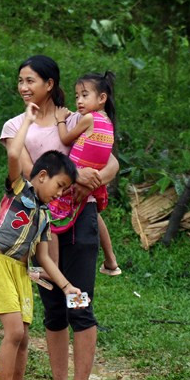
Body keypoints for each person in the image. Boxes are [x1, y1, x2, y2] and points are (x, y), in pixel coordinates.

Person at [0, 55, 120, 380]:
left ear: (49, 84)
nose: (23, 88)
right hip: (40, 225)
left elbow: (110, 159)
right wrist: (75, 176)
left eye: (30, 81)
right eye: (20, 81)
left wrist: (91, 178)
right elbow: (27, 171)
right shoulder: (14, 126)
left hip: (81, 218)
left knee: (79, 301)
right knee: (53, 304)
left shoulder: (77, 117)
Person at [0, 101, 80, 380]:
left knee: (23, 338)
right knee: (13, 332)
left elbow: (44, 258)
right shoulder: (19, 190)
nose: (61, 193)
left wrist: (67, 287)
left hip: (22, 272)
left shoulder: (45, 216)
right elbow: (14, 154)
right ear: (41, 176)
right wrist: (26, 119)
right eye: (60, 185)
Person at [50, 70, 121, 276]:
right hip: (93, 185)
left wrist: (61, 119)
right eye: (77, 96)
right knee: (92, 215)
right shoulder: (107, 122)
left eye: (84, 95)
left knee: (51, 220)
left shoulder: (88, 119)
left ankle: (51, 267)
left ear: (102, 98)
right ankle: (110, 261)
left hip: (73, 181)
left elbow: (65, 139)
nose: (79, 101)